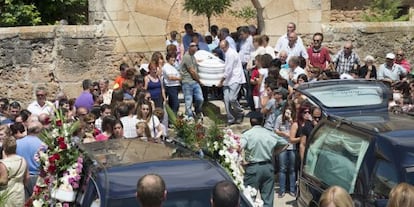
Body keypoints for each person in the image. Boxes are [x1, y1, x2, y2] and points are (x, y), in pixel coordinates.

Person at [241, 112, 288, 207]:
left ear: (251, 122)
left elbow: (239, 146)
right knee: (267, 200)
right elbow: (285, 143)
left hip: (253, 167)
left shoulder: (247, 134)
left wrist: (241, 161)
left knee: (249, 198)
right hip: (268, 167)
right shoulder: (269, 133)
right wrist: (273, 153)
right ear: (263, 121)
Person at [218, 40, 246, 125]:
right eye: (221, 48)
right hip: (228, 80)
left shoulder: (231, 54)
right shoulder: (227, 53)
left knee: (232, 98)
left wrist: (221, 80)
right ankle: (231, 118)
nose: (222, 49)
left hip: (235, 78)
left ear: (227, 46)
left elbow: (229, 69)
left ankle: (240, 112)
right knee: (226, 100)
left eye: (223, 47)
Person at [16, 121, 43, 199]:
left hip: (21, 177)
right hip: (38, 177)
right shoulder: (43, 144)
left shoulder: (17, 143)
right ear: (38, 131)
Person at [0, 136, 28, 207]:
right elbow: (27, 177)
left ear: (4, 148)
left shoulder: (3, 163)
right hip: (19, 192)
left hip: (7, 193)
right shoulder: (22, 160)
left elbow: (3, 181)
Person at [179, 42, 204, 119]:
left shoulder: (192, 56)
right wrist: (199, 81)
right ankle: (189, 116)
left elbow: (195, 63)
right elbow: (192, 71)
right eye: (192, 46)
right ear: (189, 47)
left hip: (194, 81)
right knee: (188, 101)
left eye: (196, 46)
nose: (195, 47)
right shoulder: (187, 57)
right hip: (187, 82)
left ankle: (197, 111)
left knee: (200, 99)